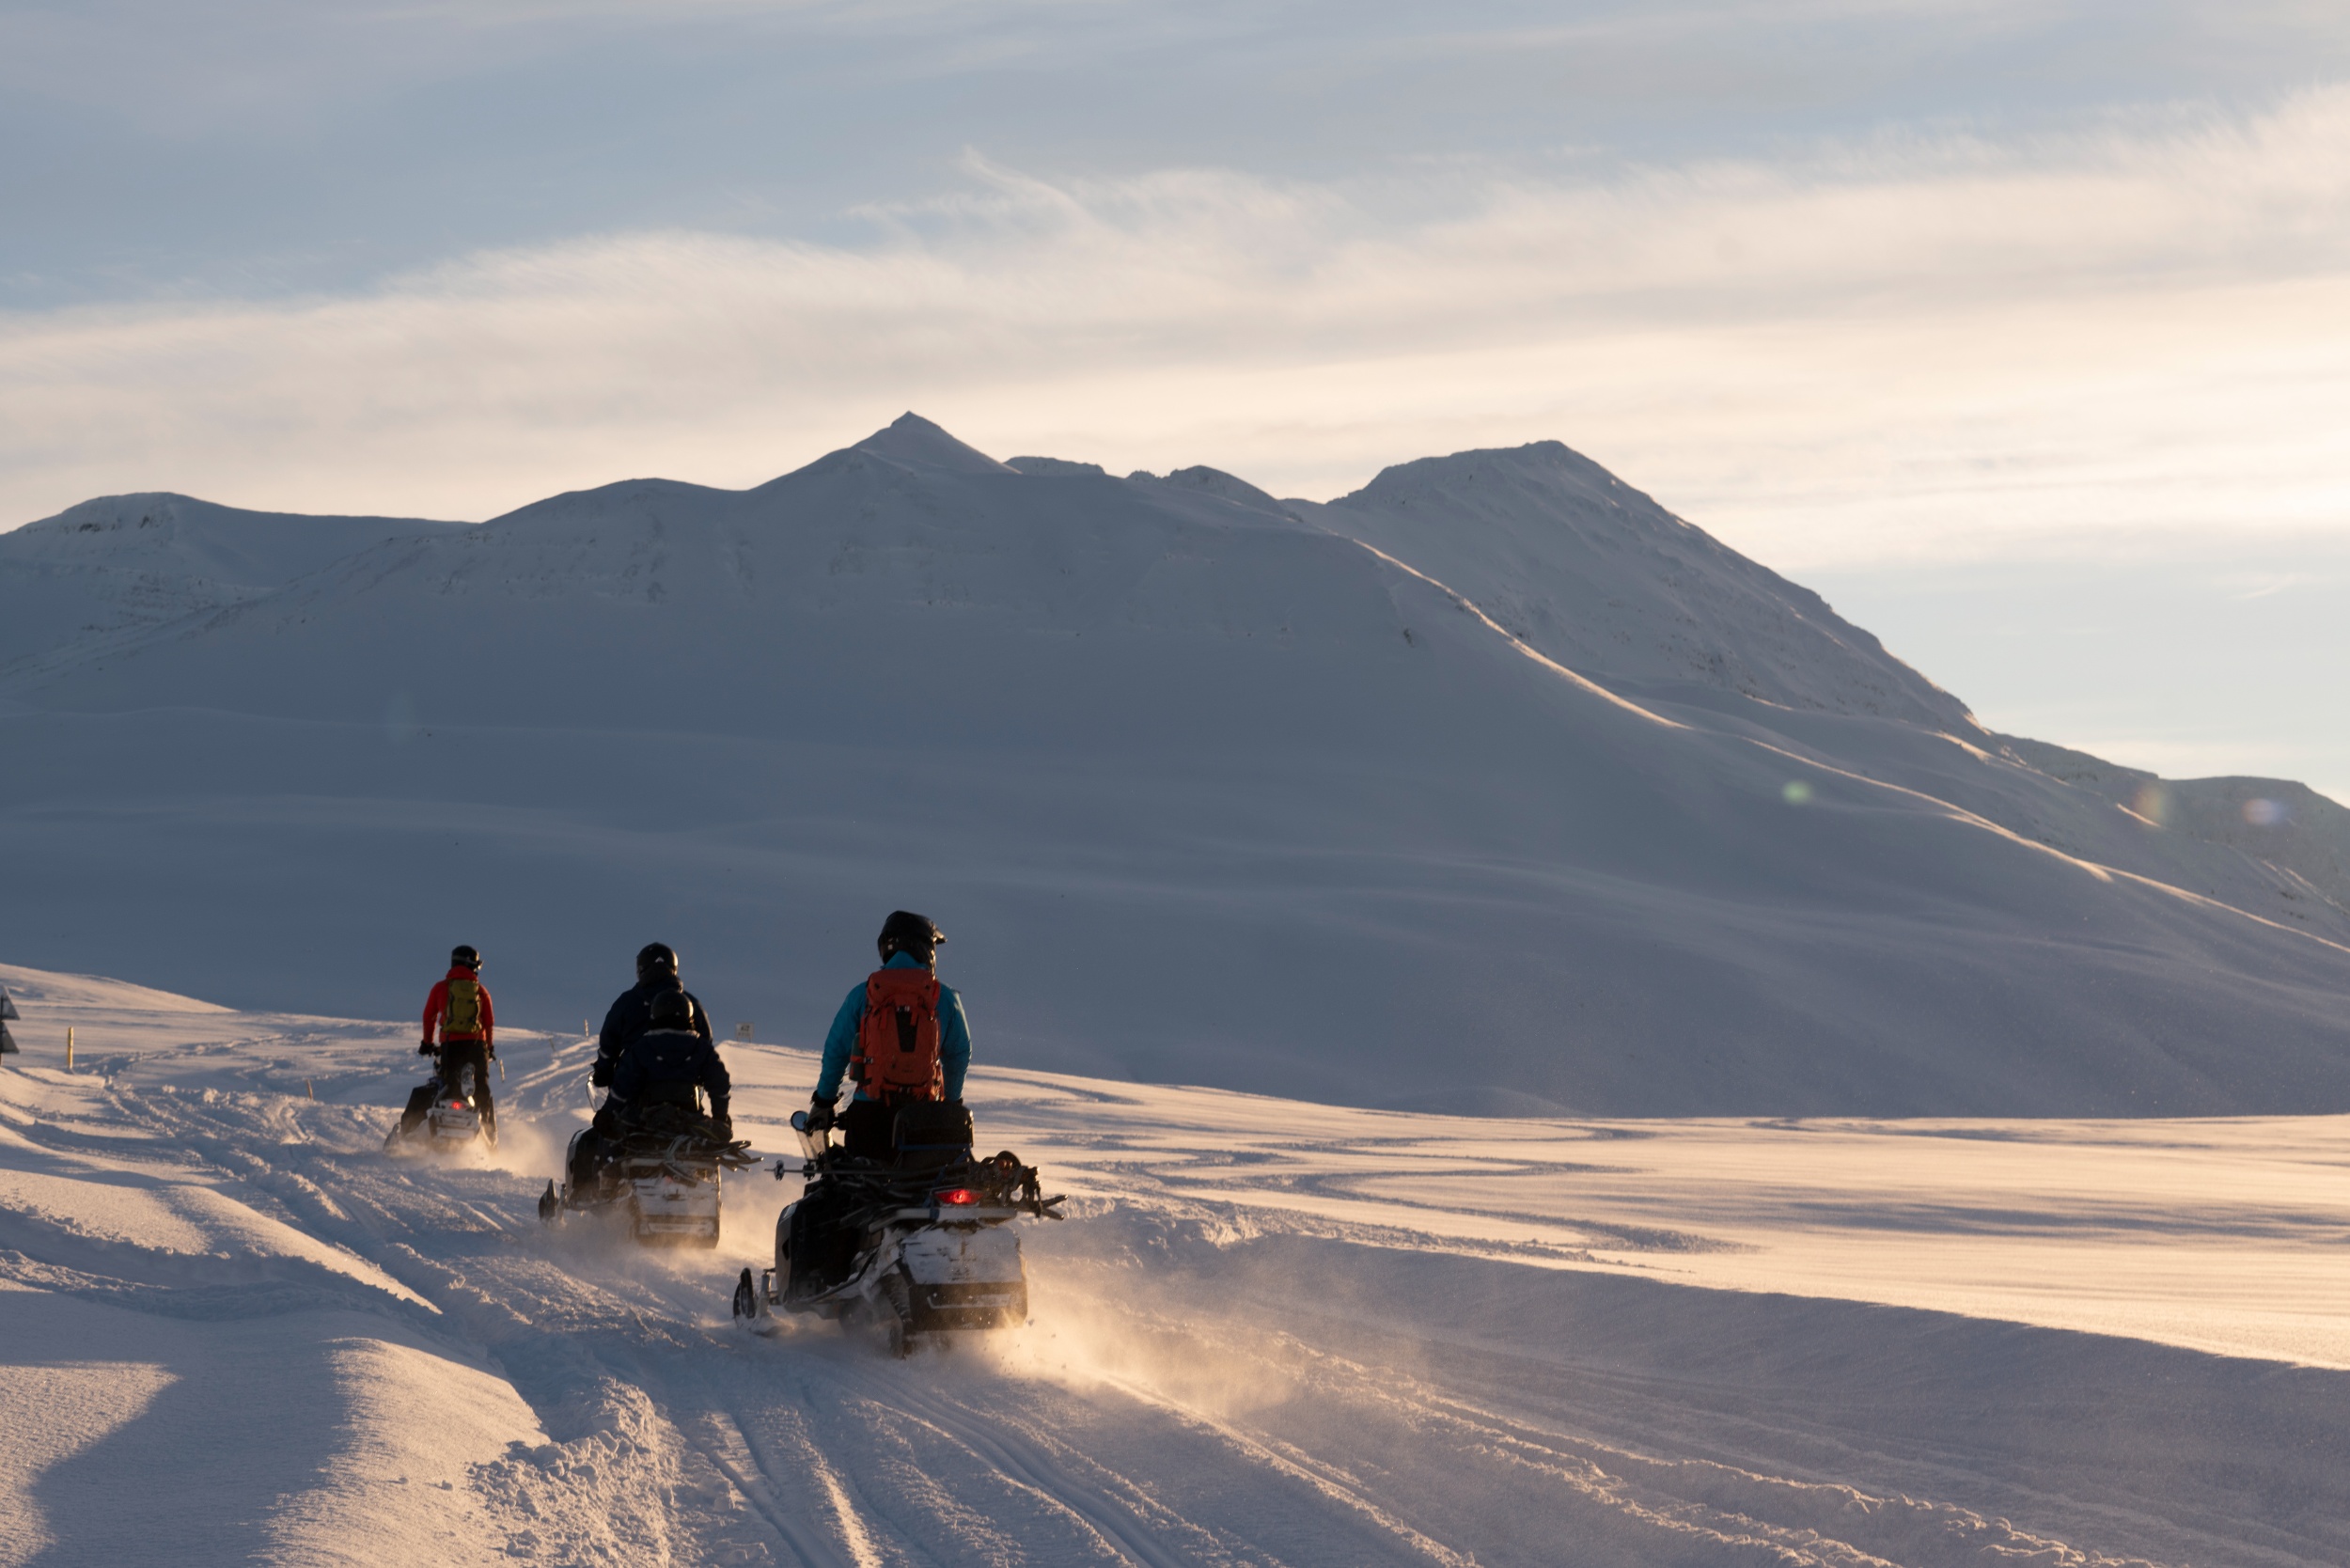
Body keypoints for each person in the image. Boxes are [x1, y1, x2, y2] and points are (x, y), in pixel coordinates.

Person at [807, 910, 972, 1162]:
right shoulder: (945, 998)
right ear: (926, 949)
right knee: (927, 1190)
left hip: (869, 1118)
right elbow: (959, 1053)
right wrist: (950, 1104)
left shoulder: (862, 994)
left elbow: (836, 1051)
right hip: (923, 1118)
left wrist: (824, 1100)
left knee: (859, 1193)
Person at [606, 988, 733, 1138]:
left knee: (611, 1138)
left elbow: (623, 1085)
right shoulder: (701, 1047)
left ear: (655, 1014)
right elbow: (720, 1084)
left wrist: (608, 1113)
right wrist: (720, 1116)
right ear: (689, 1015)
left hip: (645, 1122)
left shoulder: (642, 1046)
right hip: (690, 1122)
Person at [402, 945, 496, 1143]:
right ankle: (488, 1131)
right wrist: (488, 1047)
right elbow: (488, 1022)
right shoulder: (481, 991)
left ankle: (425, 1126)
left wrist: (427, 1043)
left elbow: (429, 1016)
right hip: (477, 1047)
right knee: (481, 1088)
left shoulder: (441, 988)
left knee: (446, 1085)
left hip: (451, 1046)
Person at [591, 943, 712, 1089]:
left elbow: (608, 1042)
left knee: (612, 1110)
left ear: (641, 969)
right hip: (682, 1082)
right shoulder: (690, 1002)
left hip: (633, 1081)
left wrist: (604, 1071)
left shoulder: (627, 1001)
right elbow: (706, 1041)